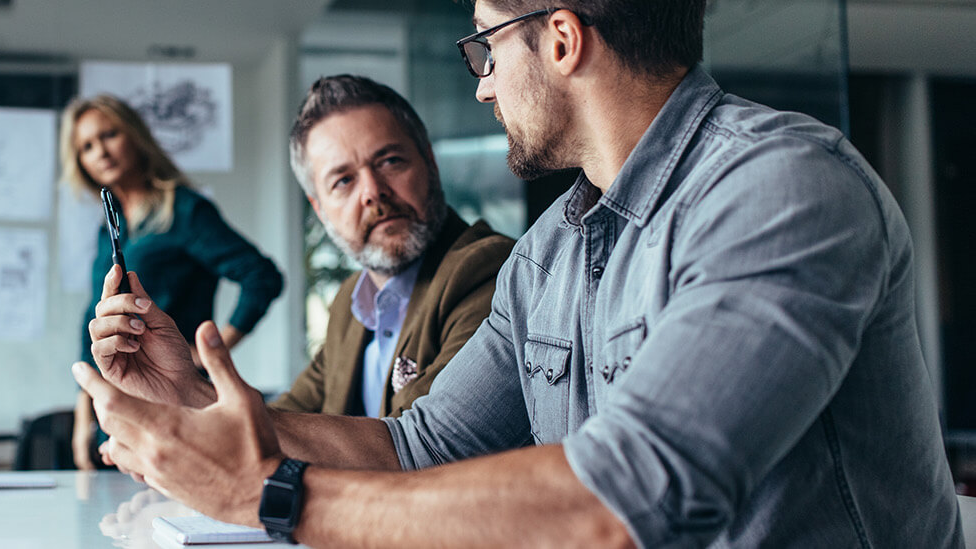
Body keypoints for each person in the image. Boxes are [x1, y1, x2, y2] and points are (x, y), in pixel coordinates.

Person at [74, 1, 964, 547]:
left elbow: (625, 500)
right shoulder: (550, 250)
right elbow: (415, 447)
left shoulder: (781, 186)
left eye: (486, 48)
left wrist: (272, 496)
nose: (482, 86)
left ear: (563, 39)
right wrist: (195, 397)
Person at [261, 75, 514, 418]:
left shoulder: (488, 271)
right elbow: (288, 419)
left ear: (430, 164)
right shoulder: (350, 303)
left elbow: (419, 444)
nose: (372, 192)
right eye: (344, 181)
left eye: (390, 161)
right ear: (320, 209)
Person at [60, 95, 284, 470]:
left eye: (109, 134)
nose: (100, 151)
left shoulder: (185, 211)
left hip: (169, 400)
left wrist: (211, 351)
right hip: (112, 408)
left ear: (134, 135)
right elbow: (94, 317)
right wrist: (84, 411)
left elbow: (262, 276)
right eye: (86, 146)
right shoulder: (109, 229)